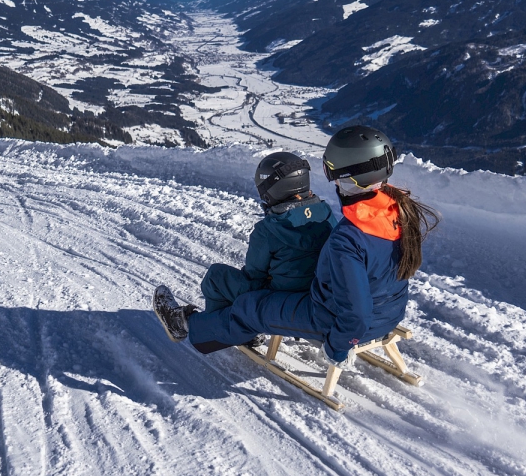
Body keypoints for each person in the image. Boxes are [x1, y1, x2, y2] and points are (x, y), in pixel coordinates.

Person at [155, 126, 439, 367]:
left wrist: (339, 348)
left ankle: (189, 327)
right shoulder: (398, 211)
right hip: (389, 313)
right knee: (258, 303)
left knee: (249, 307)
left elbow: (357, 312)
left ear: (344, 179)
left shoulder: (348, 240)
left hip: (333, 320)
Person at [154, 151, 337, 342]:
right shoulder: (326, 214)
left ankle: (223, 329)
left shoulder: (267, 230)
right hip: (320, 295)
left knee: (216, 277)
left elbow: (254, 275)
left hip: (279, 301)